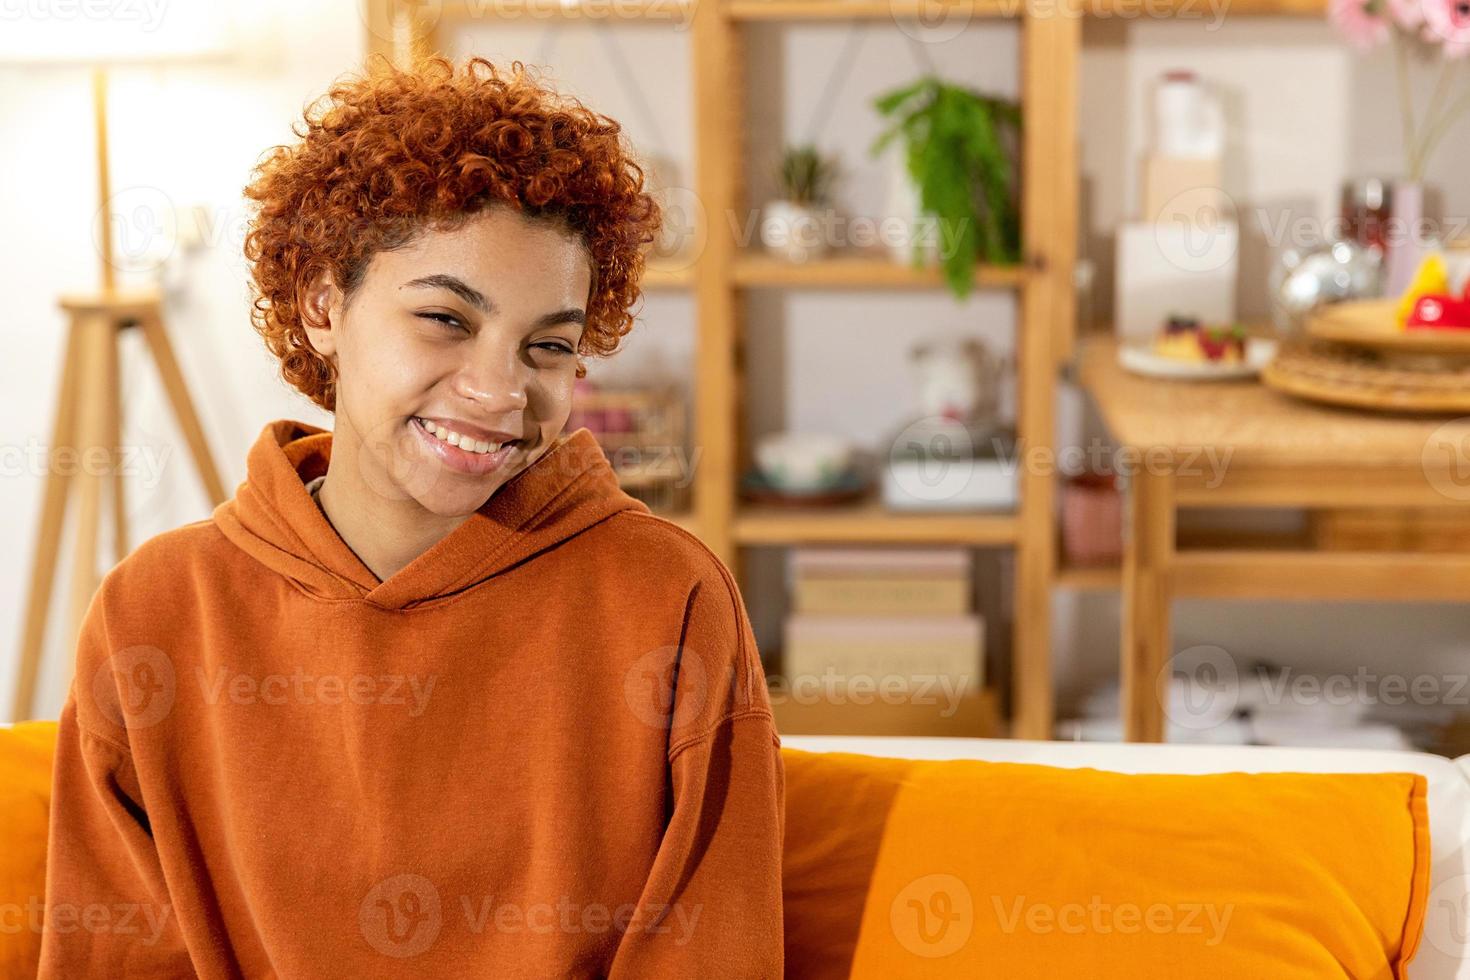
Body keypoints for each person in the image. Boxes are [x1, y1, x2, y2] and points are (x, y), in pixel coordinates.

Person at [38, 54, 785, 978]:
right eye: (445, 319)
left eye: (547, 346)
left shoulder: (667, 597)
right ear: (322, 304)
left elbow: (712, 950)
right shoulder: (153, 610)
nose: (499, 390)